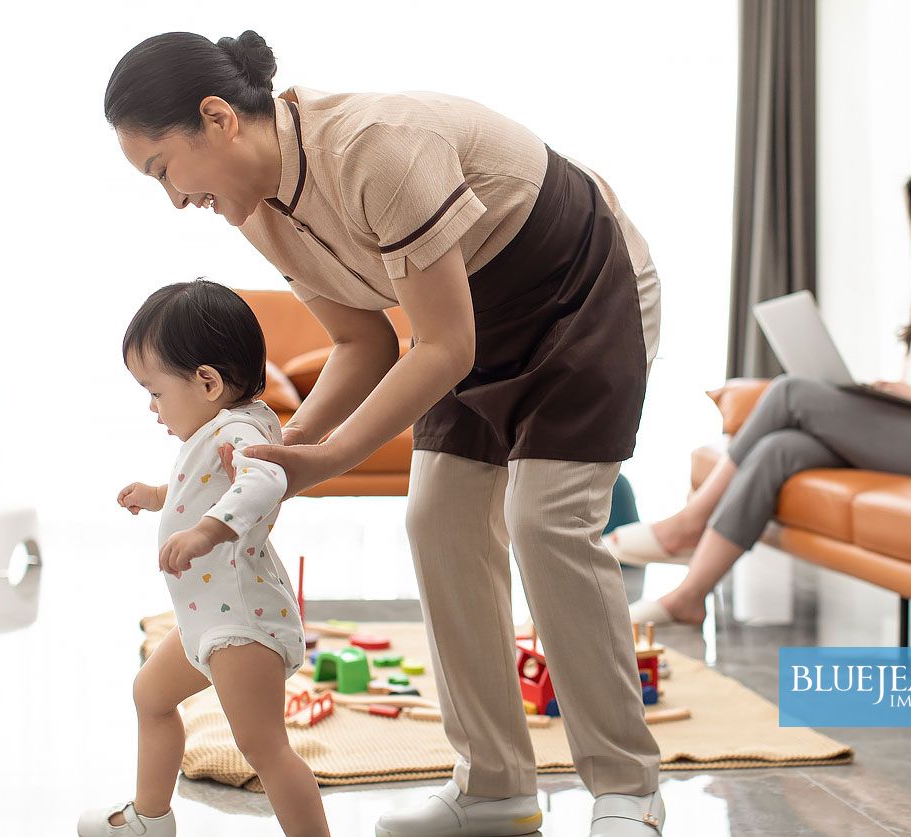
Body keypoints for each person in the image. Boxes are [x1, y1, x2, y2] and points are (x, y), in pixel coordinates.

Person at [105, 30, 665, 837]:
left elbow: (441, 345)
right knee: (437, 520)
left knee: (546, 521)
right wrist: (285, 450)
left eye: (163, 170)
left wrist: (326, 457)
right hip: (469, 316)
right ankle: (495, 786)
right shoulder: (258, 214)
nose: (172, 198)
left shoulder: (374, 148)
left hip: (579, 287)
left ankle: (626, 788)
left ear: (219, 118)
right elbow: (362, 342)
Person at [610, 148, 911, 627]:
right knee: (780, 450)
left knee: (791, 393)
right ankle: (690, 595)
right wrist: (897, 395)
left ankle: (689, 522)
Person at [78, 280, 328, 836]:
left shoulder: (239, 430)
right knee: (150, 694)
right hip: (208, 617)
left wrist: (207, 533)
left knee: (265, 749)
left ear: (207, 382)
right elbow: (207, 486)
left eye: (156, 391)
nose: (151, 407)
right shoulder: (231, 422)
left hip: (240, 623)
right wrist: (158, 496)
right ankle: (149, 818)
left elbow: (265, 479)